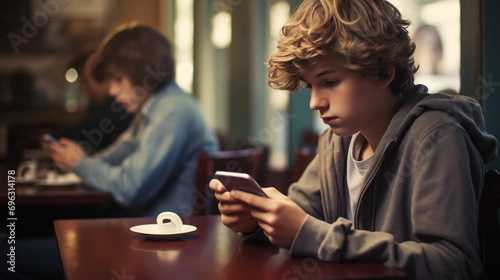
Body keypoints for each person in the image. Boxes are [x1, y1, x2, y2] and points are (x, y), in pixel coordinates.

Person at [210, 1, 497, 279]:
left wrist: (313, 235)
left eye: (330, 82)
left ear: (382, 72)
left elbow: (453, 265)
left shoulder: (438, 138)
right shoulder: (337, 143)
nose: (314, 102)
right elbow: (300, 219)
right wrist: (257, 223)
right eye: (310, 86)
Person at [45, 23, 219, 217]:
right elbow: (118, 154)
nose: (111, 91)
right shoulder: (153, 106)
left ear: (144, 73)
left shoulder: (172, 110)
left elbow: (131, 188)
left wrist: (80, 163)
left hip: (170, 236)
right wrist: (79, 161)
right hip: (148, 227)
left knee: (31, 241)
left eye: (117, 79)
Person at [51, 49, 133, 153]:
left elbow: (85, 134)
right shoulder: (99, 105)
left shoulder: (118, 105)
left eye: (85, 81)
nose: (83, 90)